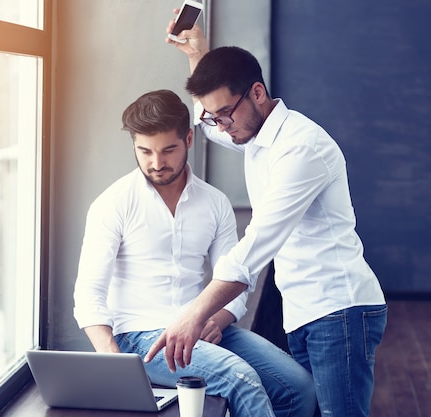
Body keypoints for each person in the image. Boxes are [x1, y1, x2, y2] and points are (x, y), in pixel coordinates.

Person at [144, 16, 388, 417]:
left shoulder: (300, 148)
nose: (220, 126)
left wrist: (193, 315)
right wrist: (198, 55)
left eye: (224, 114)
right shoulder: (255, 135)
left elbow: (255, 246)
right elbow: (215, 128)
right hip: (305, 309)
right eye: (212, 116)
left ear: (257, 93)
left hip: (338, 309)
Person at [73, 89, 316, 417]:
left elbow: (236, 280)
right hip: (141, 339)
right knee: (239, 379)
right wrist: (112, 359)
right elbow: (89, 292)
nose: (156, 163)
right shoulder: (112, 204)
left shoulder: (215, 203)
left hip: (201, 328)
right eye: (144, 151)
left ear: (189, 138)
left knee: (298, 387)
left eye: (168, 150)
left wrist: (217, 317)